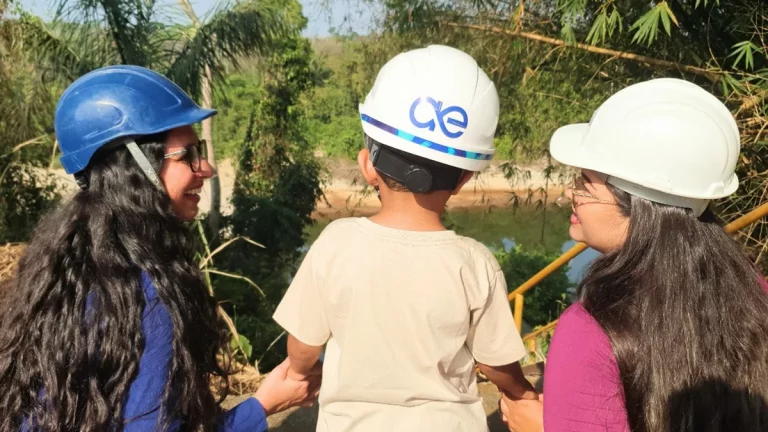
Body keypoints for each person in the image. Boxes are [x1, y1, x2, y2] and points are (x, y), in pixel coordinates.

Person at [0, 65, 319, 431]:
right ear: (136, 167)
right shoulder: (146, 295)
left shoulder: (62, 268)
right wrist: (263, 405)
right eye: (187, 156)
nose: (207, 168)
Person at [272, 45, 538, 432]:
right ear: (464, 178)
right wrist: (524, 394)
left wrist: (298, 373)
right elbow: (496, 363)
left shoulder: (335, 242)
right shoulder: (475, 262)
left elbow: (303, 345)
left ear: (368, 165)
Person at [500, 78, 768, 432]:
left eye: (585, 182)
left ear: (636, 204)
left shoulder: (591, 330)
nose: (571, 193)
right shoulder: (757, 293)